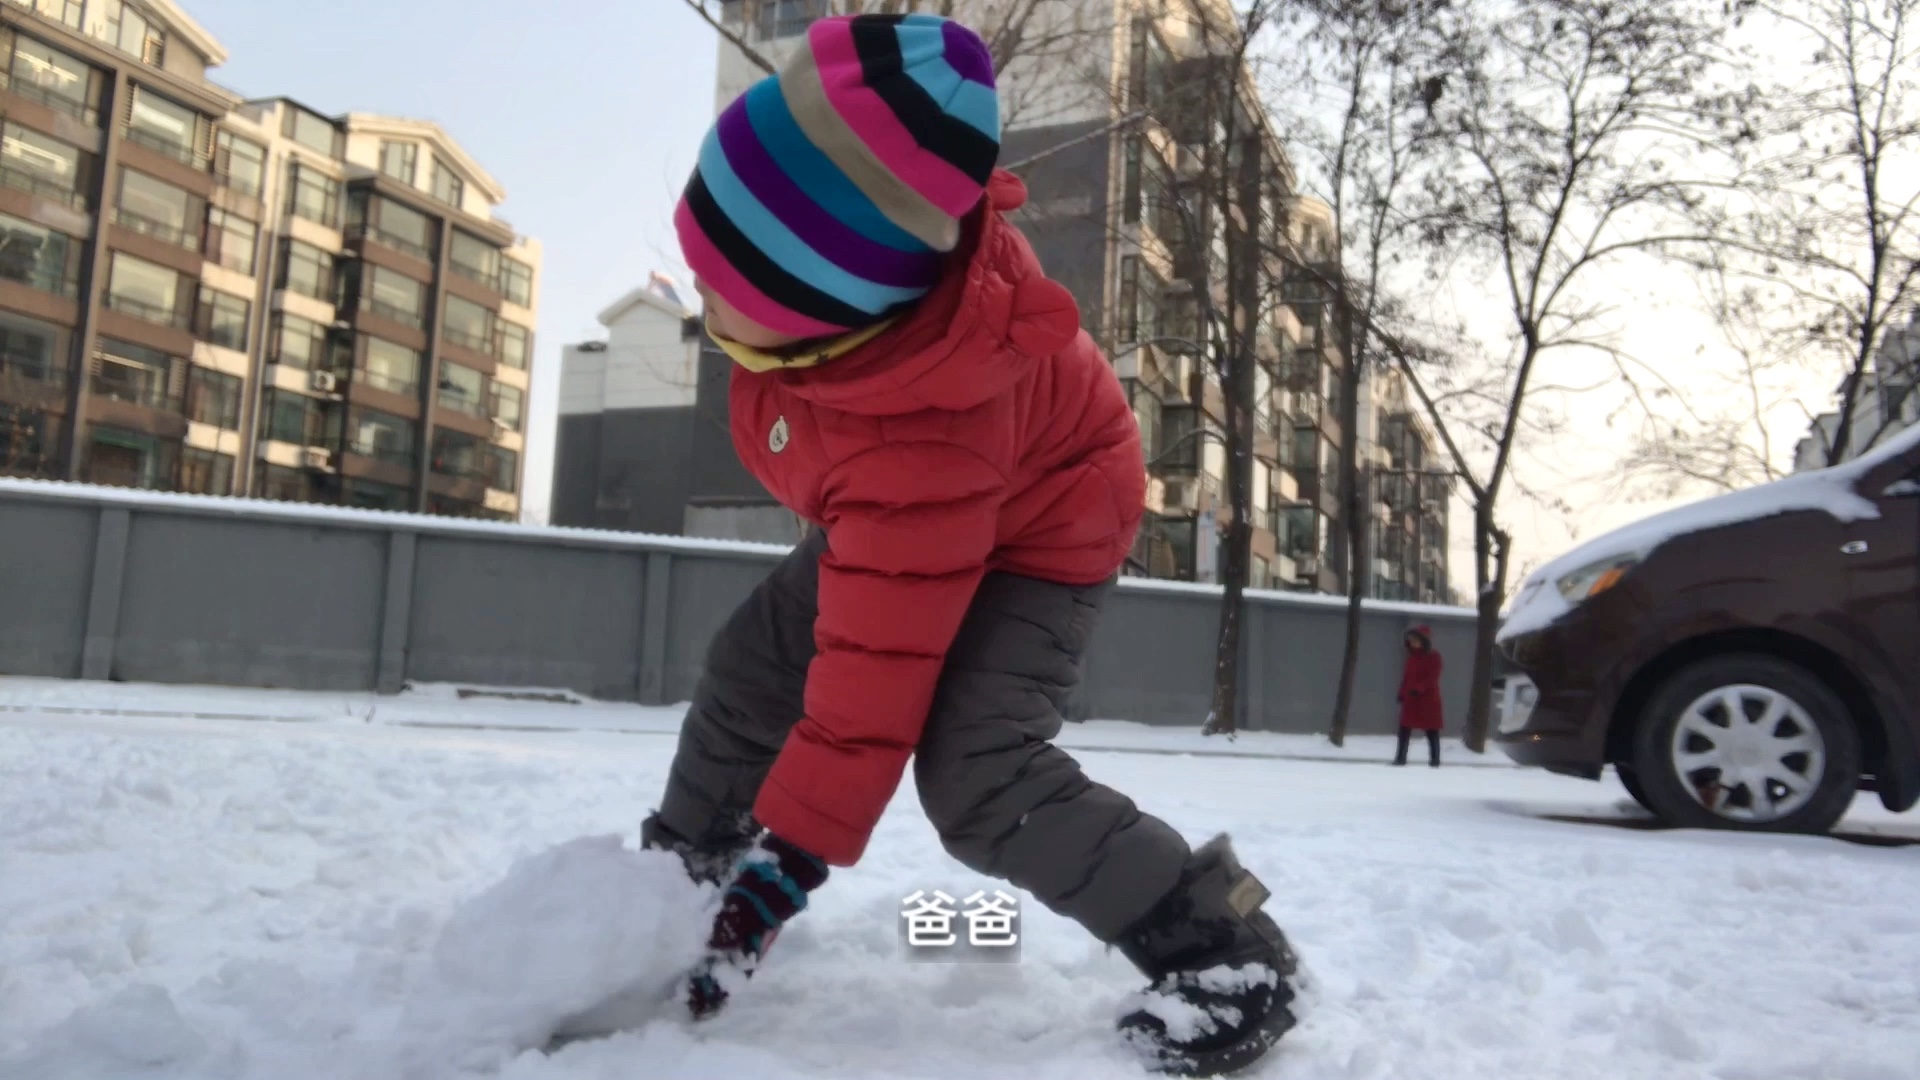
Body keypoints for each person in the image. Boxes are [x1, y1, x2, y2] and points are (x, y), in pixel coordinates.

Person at [628, 12, 1301, 1077]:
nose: (703, 299)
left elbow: (867, 694)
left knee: (980, 774)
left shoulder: (921, 438)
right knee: (756, 664)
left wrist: (787, 865)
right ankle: (677, 885)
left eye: (724, 290)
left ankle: (1225, 948)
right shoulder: (856, 315)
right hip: (917, 508)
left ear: (820, 309)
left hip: (1044, 525)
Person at [1394, 625, 1444, 767]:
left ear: (1423, 641)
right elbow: (1406, 678)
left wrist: (1419, 689)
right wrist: (1402, 693)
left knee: (1431, 731)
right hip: (1411, 700)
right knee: (1404, 729)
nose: (1413, 643)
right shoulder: (1411, 658)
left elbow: (1433, 678)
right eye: (1411, 640)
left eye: (1415, 640)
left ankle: (1435, 760)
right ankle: (1400, 758)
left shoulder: (1434, 657)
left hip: (1428, 701)